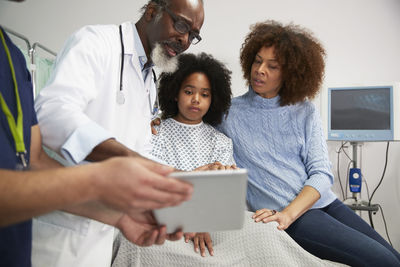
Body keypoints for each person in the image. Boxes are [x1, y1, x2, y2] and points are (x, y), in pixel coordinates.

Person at [111, 53, 343, 267]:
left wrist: (206, 215)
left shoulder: (220, 140)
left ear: (213, 99)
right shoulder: (156, 132)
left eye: (205, 94)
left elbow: (225, 194)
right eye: (188, 91)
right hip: (167, 215)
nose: (196, 100)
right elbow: (153, 180)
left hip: (214, 220)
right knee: (136, 242)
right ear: (174, 92)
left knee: (267, 232)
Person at [0, 25, 192, 267]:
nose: (185, 40)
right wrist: (113, 170)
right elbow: (52, 114)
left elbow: (34, 158)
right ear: (154, 11)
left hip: (97, 234)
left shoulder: (11, 57)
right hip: (58, 236)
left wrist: (172, 183)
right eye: (182, 25)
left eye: (193, 36)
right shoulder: (96, 42)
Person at [217, 20, 400, 267]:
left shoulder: (305, 111)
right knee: (384, 262)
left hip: (324, 203)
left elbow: (322, 173)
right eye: (257, 61)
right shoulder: (228, 113)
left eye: (273, 66)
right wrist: (154, 122)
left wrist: (289, 213)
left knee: (394, 258)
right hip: (292, 216)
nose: (260, 70)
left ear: (290, 73)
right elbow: (186, 120)